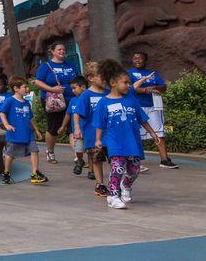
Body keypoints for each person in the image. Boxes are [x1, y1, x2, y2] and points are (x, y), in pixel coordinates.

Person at [94, 59, 163, 209]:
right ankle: (113, 196)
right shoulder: (104, 103)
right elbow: (99, 123)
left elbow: (142, 119)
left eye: (129, 83)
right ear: (113, 83)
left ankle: (126, 185)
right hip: (115, 142)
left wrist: (153, 133)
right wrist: (98, 139)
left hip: (133, 142)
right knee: (117, 167)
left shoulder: (131, 100)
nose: (128, 86)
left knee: (134, 170)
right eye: (125, 83)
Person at [127, 51, 178, 169]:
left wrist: (154, 87)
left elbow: (163, 87)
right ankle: (136, 162)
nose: (137, 60)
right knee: (136, 134)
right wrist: (146, 90)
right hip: (137, 106)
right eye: (135, 58)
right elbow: (130, 88)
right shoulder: (129, 72)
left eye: (140, 58)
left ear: (145, 60)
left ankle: (165, 160)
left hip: (153, 106)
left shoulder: (152, 73)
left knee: (159, 132)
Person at [34, 42, 79, 164]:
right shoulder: (46, 66)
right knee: (54, 127)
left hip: (71, 100)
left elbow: (78, 80)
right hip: (54, 101)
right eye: (59, 49)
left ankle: (77, 157)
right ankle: (50, 151)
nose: (62, 51)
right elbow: (37, 82)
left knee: (72, 127)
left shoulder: (71, 65)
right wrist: (52, 89)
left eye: (64, 49)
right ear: (52, 52)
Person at [0, 76, 48, 185]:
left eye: (27, 87)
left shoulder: (26, 102)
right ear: (16, 88)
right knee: (10, 155)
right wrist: (6, 124)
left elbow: (30, 118)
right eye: (25, 87)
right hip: (15, 133)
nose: (27, 89)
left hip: (28, 133)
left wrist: (36, 130)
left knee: (34, 150)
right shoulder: (10, 101)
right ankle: (6, 173)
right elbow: (2, 113)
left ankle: (34, 173)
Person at [74, 62, 109, 196]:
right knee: (97, 159)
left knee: (115, 160)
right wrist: (77, 128)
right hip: (92, 134)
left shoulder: (108, 93)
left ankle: (114, 183)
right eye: (101, 76)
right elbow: (77, 113)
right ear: (91, 78)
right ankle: (100, 184)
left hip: (109, 134)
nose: (105, 79)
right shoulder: (86, 94)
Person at [66, 76, 88, 175]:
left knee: (91, 152)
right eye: (72, 88)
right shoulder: (73, 100)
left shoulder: (89, 98)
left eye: (74, 88)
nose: (72, 90)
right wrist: (63, 126)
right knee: (79, 150)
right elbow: (69, 113)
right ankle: (80, 160)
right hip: (78, 130)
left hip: (89, 129)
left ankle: (92, 171)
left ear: (83, 87)